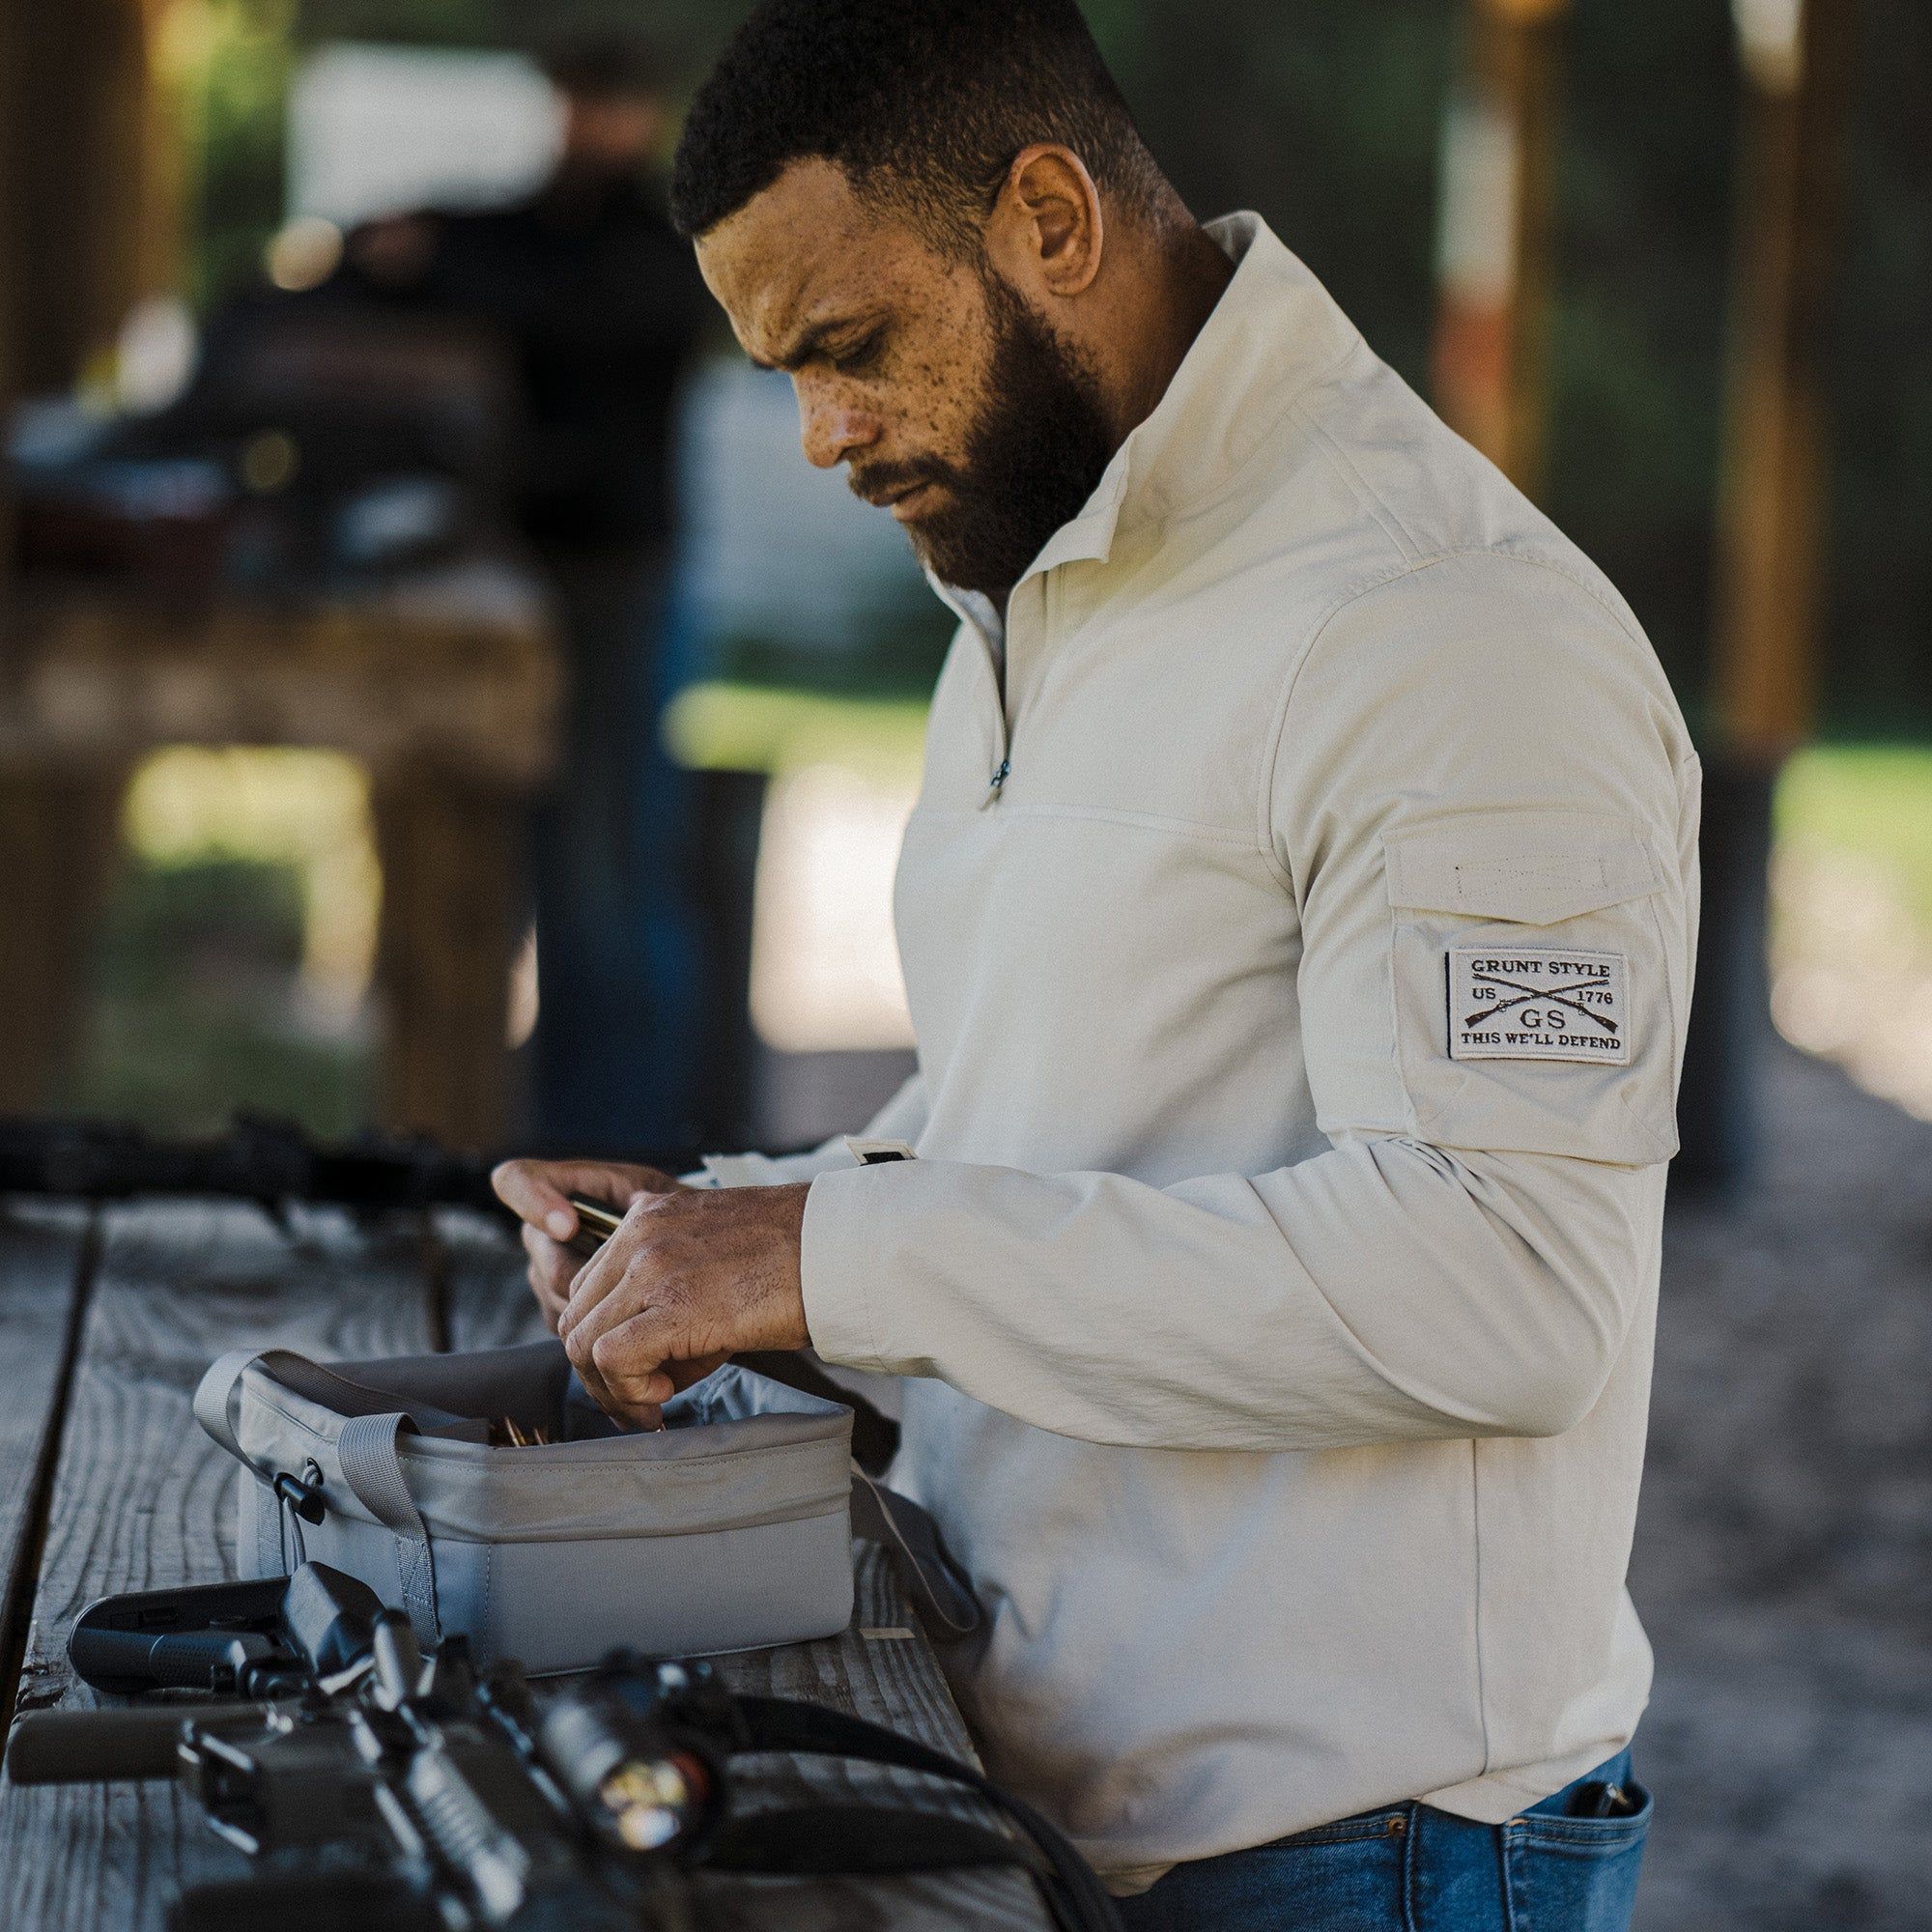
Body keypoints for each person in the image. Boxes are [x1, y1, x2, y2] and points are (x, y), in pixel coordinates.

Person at [492, 4, 1698, 1927]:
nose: (818, 435)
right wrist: (738, 1239)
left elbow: (1504, 1286)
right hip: (1072, 1800)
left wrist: (837, 1254)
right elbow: (1076, 1115)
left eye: (851, 349)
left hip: (1363, 1849)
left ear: (1050, 219)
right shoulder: (1031, 565)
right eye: (782, 373)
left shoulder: (1450, 633)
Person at [351, 35, 717, 1149]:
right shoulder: (524, 230)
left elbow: (589, 305)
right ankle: (501, 1145)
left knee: (605, 890)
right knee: (481, 881)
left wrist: (438, 259)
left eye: (604, 103)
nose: (586, 126)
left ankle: (622, 1155)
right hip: (522, 571)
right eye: (573, 102)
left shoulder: (661, 244)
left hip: (617, 586)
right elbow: (429, 257)